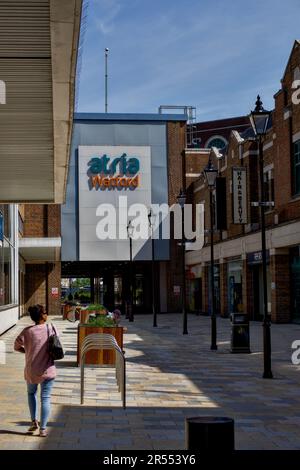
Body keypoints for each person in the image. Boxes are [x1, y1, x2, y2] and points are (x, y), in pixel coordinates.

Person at [14, 304, 57, 437]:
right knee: (45, 398)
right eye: (45, 312)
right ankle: (43, 429)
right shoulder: (51, 328)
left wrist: (27, 351)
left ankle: (34, 421)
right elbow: (56, 344)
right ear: (42, 316)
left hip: (31, 370)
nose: (47, 314)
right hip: (47, 370)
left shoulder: (27, 331)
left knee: (31, 394)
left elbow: (16, 346)